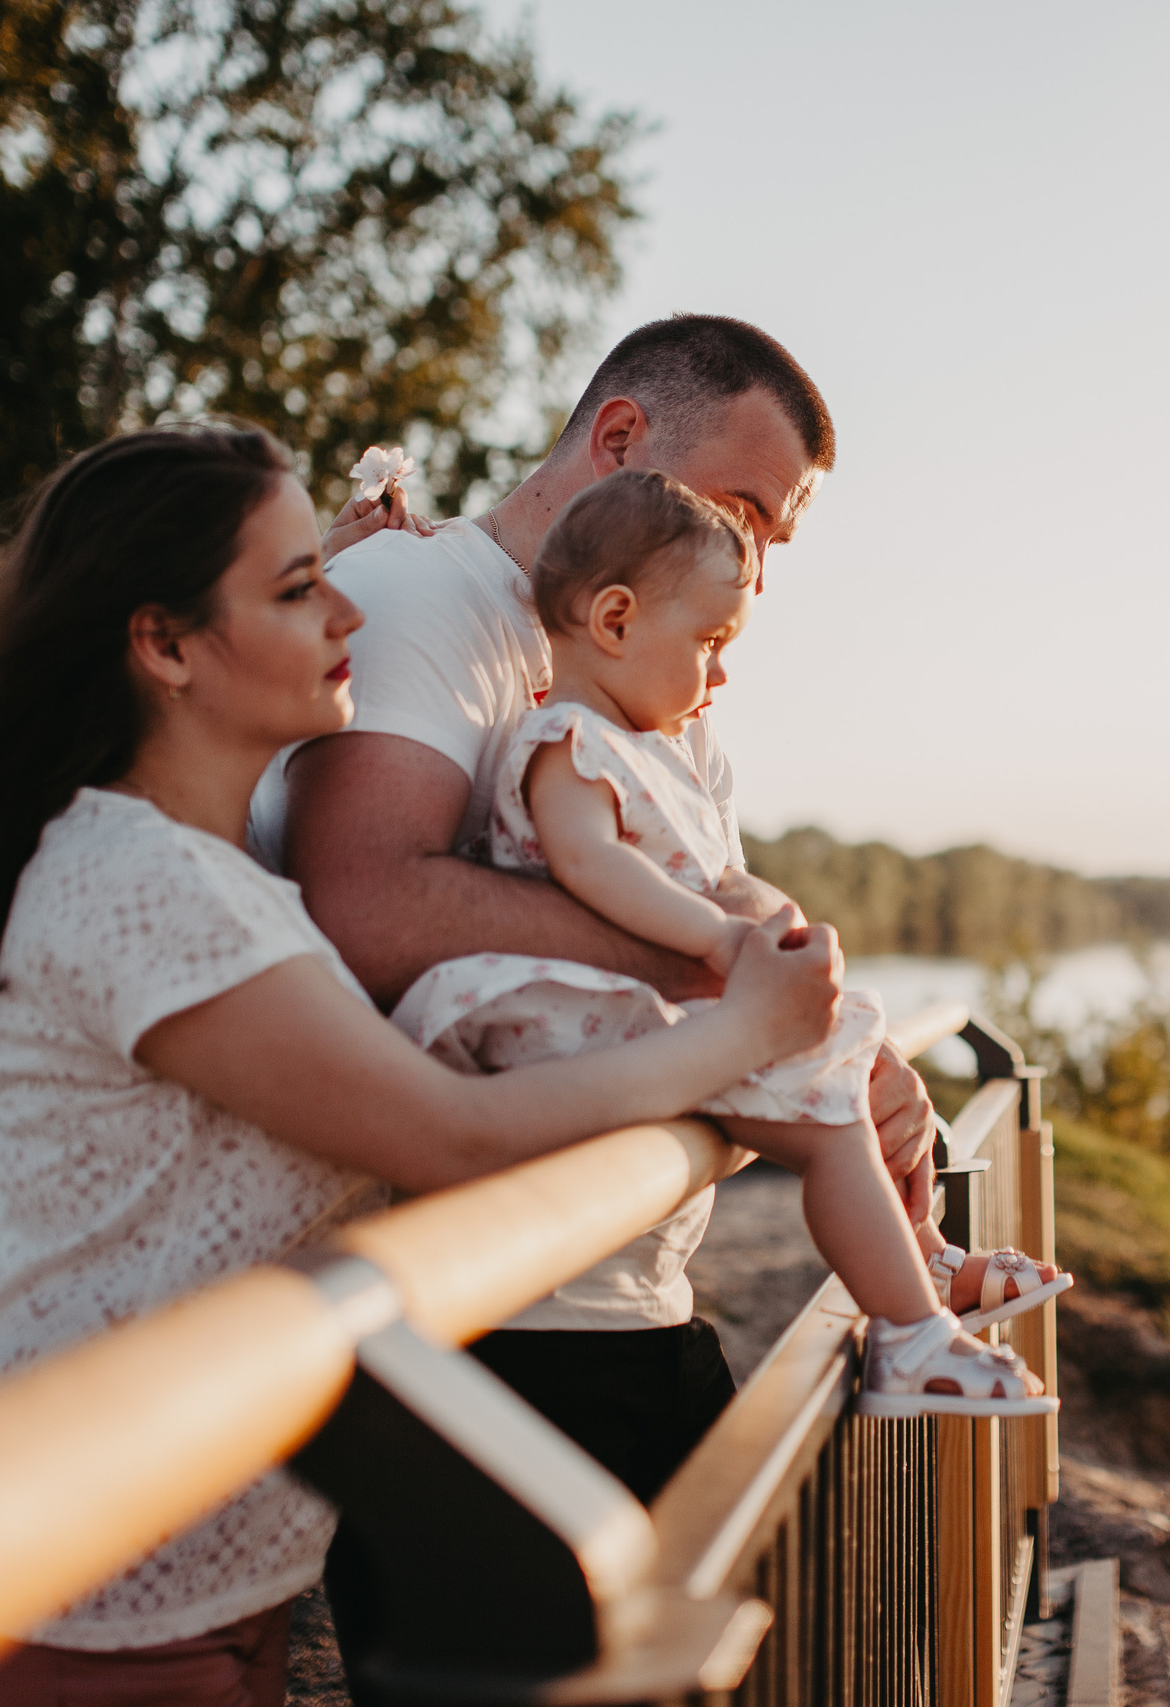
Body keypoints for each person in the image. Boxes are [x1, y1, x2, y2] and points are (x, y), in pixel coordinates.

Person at [0, 422, 843, 1707]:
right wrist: (741, 1031)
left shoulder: (210, 869)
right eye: (300, 586)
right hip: (85, 1594)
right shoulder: (139, 883)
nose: (351, 607)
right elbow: (444, 1134)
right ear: (164, 643)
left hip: (199, 1580)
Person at [245, 317, 966, 1506]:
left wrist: (851, 1046)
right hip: (478, 1321)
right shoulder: (412, 598)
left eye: (770, 540)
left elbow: (713, 919)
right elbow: (365, 903)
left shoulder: (664, 706)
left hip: (638, 1300)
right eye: (741, 510)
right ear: (621, 441)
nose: (755, 569)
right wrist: (739, 981)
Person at [393, 467, 1060, 1416]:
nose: (722, 671)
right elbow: (593, 866)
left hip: (661, 1009)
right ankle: (909, 1333)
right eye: (710, 641)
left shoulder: (648, 751)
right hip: (593, 1021)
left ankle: (921, 1262)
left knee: (852, 1046)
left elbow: (714, 869)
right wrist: (723, 942)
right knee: (831, 1127)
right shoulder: (564, 741)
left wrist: (775, 920)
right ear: (615, 622)